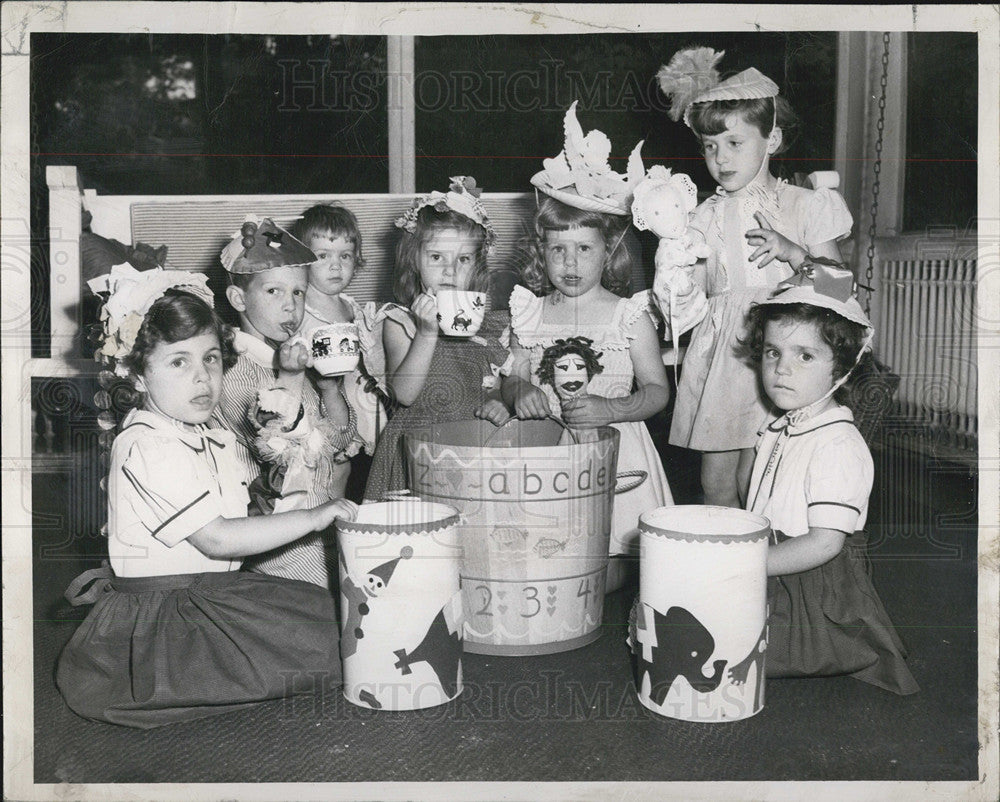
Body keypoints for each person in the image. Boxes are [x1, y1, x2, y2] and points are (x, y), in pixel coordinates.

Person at [56, 266, 358, 728]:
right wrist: (317, 517)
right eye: (179, 362)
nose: (202, 378)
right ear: (137, 376)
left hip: (211, 592)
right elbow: (217, 540)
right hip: (164, 614)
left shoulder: (201, 434)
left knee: (330, 617)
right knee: (329, 652)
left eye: (211, 359)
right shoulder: (146, 443)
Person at [656, 48, 854, 507]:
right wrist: (675, 284)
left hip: (786, 351)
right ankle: (724, 571)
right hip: (725, 357)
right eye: (709, 146)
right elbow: (698, 299)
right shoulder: (699, 217)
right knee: (717, 483)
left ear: (773, 140)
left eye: (734, 143)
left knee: (765, 481)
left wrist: (792, 252)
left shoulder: (805, 206)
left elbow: (842, 288)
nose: (720, 158)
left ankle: (768, 569)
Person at [501, 103, 673, 592]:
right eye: (557, 249)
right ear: (541, 251)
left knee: (610, 562)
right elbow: (511, 373)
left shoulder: (629, 314)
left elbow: (657, 391)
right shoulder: (529, 310)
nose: (569, 262)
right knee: (545, 549)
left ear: (609, 251)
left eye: (584, 249)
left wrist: (612, 407)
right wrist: (518, 392)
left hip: (615, 445)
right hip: (545, 449)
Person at [736, 259, 918, 694]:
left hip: (812, 580)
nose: (782, 369)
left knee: (733, 649)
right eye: (773, 352)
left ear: (842, 369)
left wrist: (744, 565)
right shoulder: (780, 424)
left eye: (805, 355)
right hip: (772, 554)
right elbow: (752, 495)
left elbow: (824, 542)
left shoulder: (838, 443)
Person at [214, 216, 356, 589]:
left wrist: (328, 388)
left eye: (298, 293)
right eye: (274, 292)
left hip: (319, 512)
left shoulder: (290, 357)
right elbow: (281, 453)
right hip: (275, 527)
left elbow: (341, 442)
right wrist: (291, 378)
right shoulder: (237, 371)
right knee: (325, 605)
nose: (291, 307)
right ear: (238, 299)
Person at [362, 176, 512, 502]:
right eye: (436, 257)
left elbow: (493, 385)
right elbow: (404, 393)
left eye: (463, 259)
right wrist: (427, 333)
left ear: (478, 265)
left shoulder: (488, 326)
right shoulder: (400, 321)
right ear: (414, 260)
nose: (449, 270)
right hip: (416, 450)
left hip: (471, 445)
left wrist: (498, 402)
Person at [291, 204, 389, 479]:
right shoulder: (300, 307)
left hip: (363, 404)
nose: (336, 265)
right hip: (326, 409)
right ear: (302, 260)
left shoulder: (351, 306)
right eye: (323, 256)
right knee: (336, 478)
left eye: (345, 256)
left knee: (366, 478)